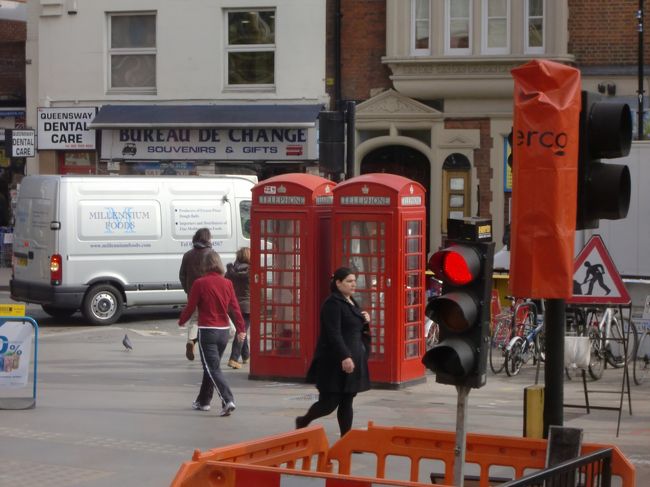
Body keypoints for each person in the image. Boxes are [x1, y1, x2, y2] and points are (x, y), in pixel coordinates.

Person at [295, 267, 371, 437]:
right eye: (349, 281)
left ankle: (347, 439)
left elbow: (357, 328)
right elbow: (333, 333)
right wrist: (345, 356)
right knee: (329, 403)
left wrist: (365, 320)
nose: (353, 284)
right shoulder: (332, 304)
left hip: (354, 358)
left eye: (354, 281)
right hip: (333, 361)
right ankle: (303, 420)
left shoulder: (351, 301)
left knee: (347, 401)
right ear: (338, 283)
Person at [178, 251, 247, 416]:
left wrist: (182, 320)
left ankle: (228, 400)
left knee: (212, 368)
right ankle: (203, 401)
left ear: (204, 266)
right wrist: (241, 329)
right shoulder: (227, 283)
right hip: (223, 332)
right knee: (210, 367)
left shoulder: (199, 283)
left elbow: (191, 306)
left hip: (207, 331)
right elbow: (235, 308)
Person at [179, 228, 215, 361]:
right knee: (212, 320)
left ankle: (191, 341)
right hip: (209, 293)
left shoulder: (187, 255)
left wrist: (188, 290)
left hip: (193, 293)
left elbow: (182, 275)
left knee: (194, 319)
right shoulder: (211, 254)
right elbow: (219, 272)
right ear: (207, 238)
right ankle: (208, 345)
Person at [225, 247, 251, 369]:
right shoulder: (251, 271)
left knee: (242, 329)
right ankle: (234, 358)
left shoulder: (230, 272)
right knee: (242, 331)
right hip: (246, 307)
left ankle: (246, 356)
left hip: (232, 306)